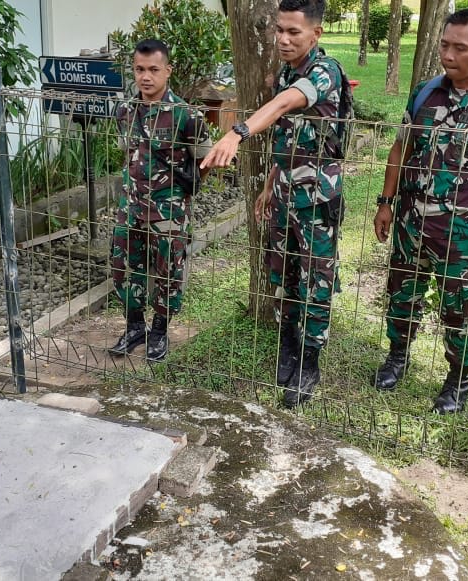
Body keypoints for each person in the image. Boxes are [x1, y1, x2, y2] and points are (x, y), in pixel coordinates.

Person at [371, 9, 468, 414]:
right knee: (402, 295)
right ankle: (397, 357)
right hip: (411, 224)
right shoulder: (425, 93)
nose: (449, 55)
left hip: (462, 233)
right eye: (444, 45)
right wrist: (386, 203)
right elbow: (400, 148)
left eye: (460, 48)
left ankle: (458, 379)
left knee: (459, 306)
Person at [201, 0, 347, 408]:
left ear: (315, 34)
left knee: (316, 283)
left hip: (317, 200)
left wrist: (237, 133)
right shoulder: (285, 71)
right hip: (283, 194)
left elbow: (283, 105)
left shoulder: (324, 71)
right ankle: (288, 345)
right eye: (279, 30)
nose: (283, 39)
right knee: (284, 274)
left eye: (293, 32)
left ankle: (309, 363)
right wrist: (269, 183)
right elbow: (286, 136)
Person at [108, 39, 212, 362]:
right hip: (131, 206)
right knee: (124, 265)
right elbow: (128, 154)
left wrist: (179, 194)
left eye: (154, 69)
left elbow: (205, 161)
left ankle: (159, 331)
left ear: (168, 70)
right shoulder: (125, 111)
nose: (146, 77)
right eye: (139, 69)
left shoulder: (187, 116)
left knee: (168, 271)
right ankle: (135, 326)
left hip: (168, 210)